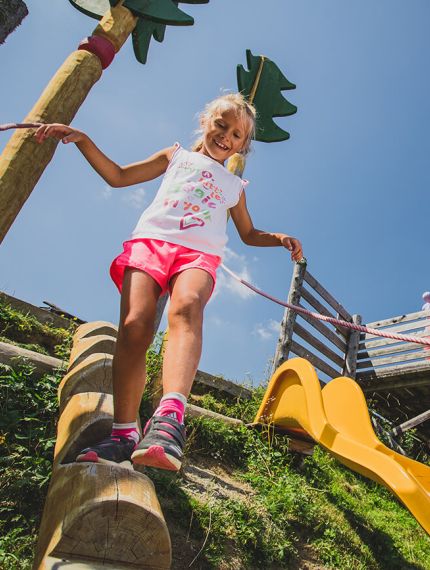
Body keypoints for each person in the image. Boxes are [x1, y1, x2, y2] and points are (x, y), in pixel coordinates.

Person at [35, 93, 303, 471]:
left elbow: (247, 232)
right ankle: (124, 432)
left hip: (198, 255)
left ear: (244, 145)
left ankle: (169, 420)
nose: (226, 136)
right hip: (151, 243)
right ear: (205, 123)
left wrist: (278, 238)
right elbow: (118, 176)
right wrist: (83, 140)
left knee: (187, 307)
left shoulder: (233, 185)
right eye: (220, 125)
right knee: (134, 327)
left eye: (237, 134)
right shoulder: (175, 156)